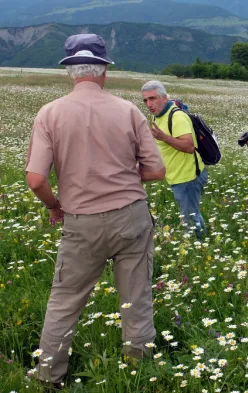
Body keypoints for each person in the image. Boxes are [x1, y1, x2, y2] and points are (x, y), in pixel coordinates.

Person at [25, 34, 165, 387]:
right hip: (131, 215)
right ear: (104, 70)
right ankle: (139, 368)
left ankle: (48, 375)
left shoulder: (50, 113)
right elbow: (157, 171)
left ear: (71, 71)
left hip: (81, 222)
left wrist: (55, 206)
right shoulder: (129, 111)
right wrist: (126, 177)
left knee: (65, 301)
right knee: (136, 296)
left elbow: (36, 179)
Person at [141, 80, 208, 239]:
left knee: (190, 216)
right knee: (191, 212)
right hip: (177, 176)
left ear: (164, 98)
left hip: (188, 176)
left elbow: (189, 146)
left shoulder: (176, 117)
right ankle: (202, 239)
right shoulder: (158, 116)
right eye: (145, 100)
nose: (149, 104)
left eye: (152, 98)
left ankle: (197, 245)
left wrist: (164, 137)